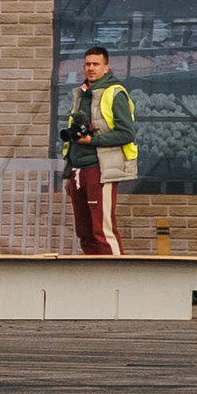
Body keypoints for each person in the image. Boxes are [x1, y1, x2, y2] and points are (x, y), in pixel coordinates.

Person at [62, 45, 137, 255]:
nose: (91, 68)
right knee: (84, 232)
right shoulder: (81, 93)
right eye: (87, 64)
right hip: (78, 169)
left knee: (102, 230)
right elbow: (72, 141)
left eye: (96, 64)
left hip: (100, 168)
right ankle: (93, 272)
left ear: (106, 67)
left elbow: (126, 134)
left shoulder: (115, 92)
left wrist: (92, 140)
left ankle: (115, 274)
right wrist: (68, 173)